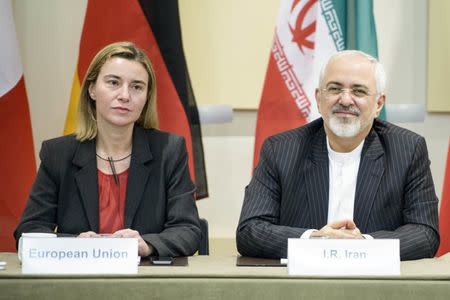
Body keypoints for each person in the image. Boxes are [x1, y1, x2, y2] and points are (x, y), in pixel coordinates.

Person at [236, 50, 439, 261]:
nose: (345, 99)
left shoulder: (407, 150)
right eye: (334, 89)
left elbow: (425, 234)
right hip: (301, 286)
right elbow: (249, 231)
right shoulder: (280, 150)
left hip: (376, 286)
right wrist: (316, 240)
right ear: (319, 98)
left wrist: (361, 246)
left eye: (358, 91)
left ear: (378, 104)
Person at [14, 41, 201, 257]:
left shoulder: (169, 150)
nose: (124, 95)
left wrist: (146, 245)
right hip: (79, 281)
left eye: (137, 87)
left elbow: (188, 231)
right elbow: (29, 230)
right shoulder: (58, 154)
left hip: (145, 281)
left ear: (147, 97)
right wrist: (74, 244)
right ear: (92, 89)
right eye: (113, 82)